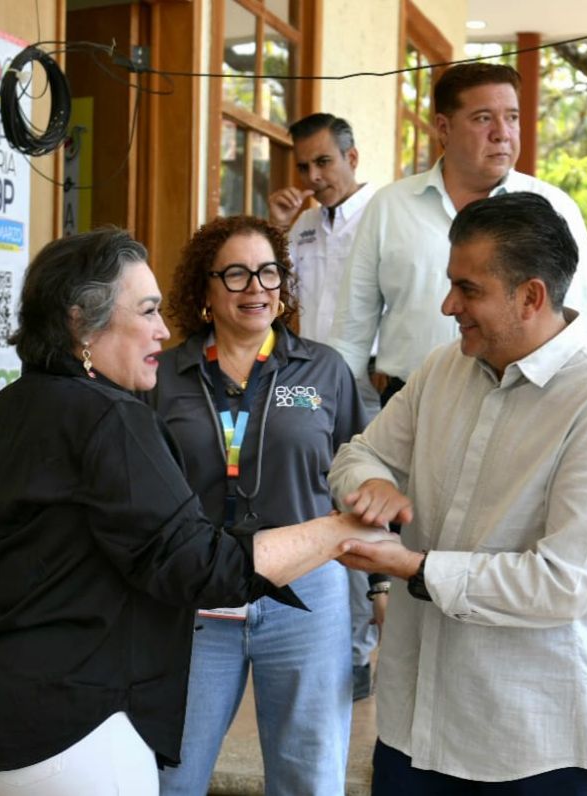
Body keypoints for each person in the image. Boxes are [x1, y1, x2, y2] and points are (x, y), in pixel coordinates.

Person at [0, 229, 388, 796]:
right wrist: (340, 530)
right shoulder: (114, 416)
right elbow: (201, 567)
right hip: (78, 729)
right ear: (81, 324)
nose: (162, 331)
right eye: (146, 311)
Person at [329, 192, 587, 795]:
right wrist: (372, 485)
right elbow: (357, 454)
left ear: (530, 296)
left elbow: (563, 583)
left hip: (533, 738)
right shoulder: (441, 369)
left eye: (468, 289)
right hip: (413, 721)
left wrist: (415, 568)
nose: (448, 305)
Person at [151, 216, 368, 796]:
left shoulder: (324, 369)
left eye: (269, 272)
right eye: (237, 274)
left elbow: (357, 474)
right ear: (205, 287)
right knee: (173, 774)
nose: (256, 288)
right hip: (196, 593)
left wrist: (377, 587)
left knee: (309, 776)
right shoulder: (164, 376)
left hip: (307, 591)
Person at [328, 62, 587, 406]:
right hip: (411, 403)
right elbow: (352, 330)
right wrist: (348, 414)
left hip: (525, 405)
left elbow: (585, 325)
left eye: (512, 117)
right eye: (483, 118)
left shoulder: (554, 207)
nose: (502, 133)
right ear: (444, 128)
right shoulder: (390, 206)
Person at [269, 112, 385, 700]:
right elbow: (273, 290)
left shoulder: (382, 215)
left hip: (365, 385)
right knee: (310, 507)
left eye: (324, 162)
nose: (314, 177)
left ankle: (358, 653)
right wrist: (278, 229)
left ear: (352, 158)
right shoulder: (304, 226)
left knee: (359, 509)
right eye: (304, 166)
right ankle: (311, 638)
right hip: (306, 384)